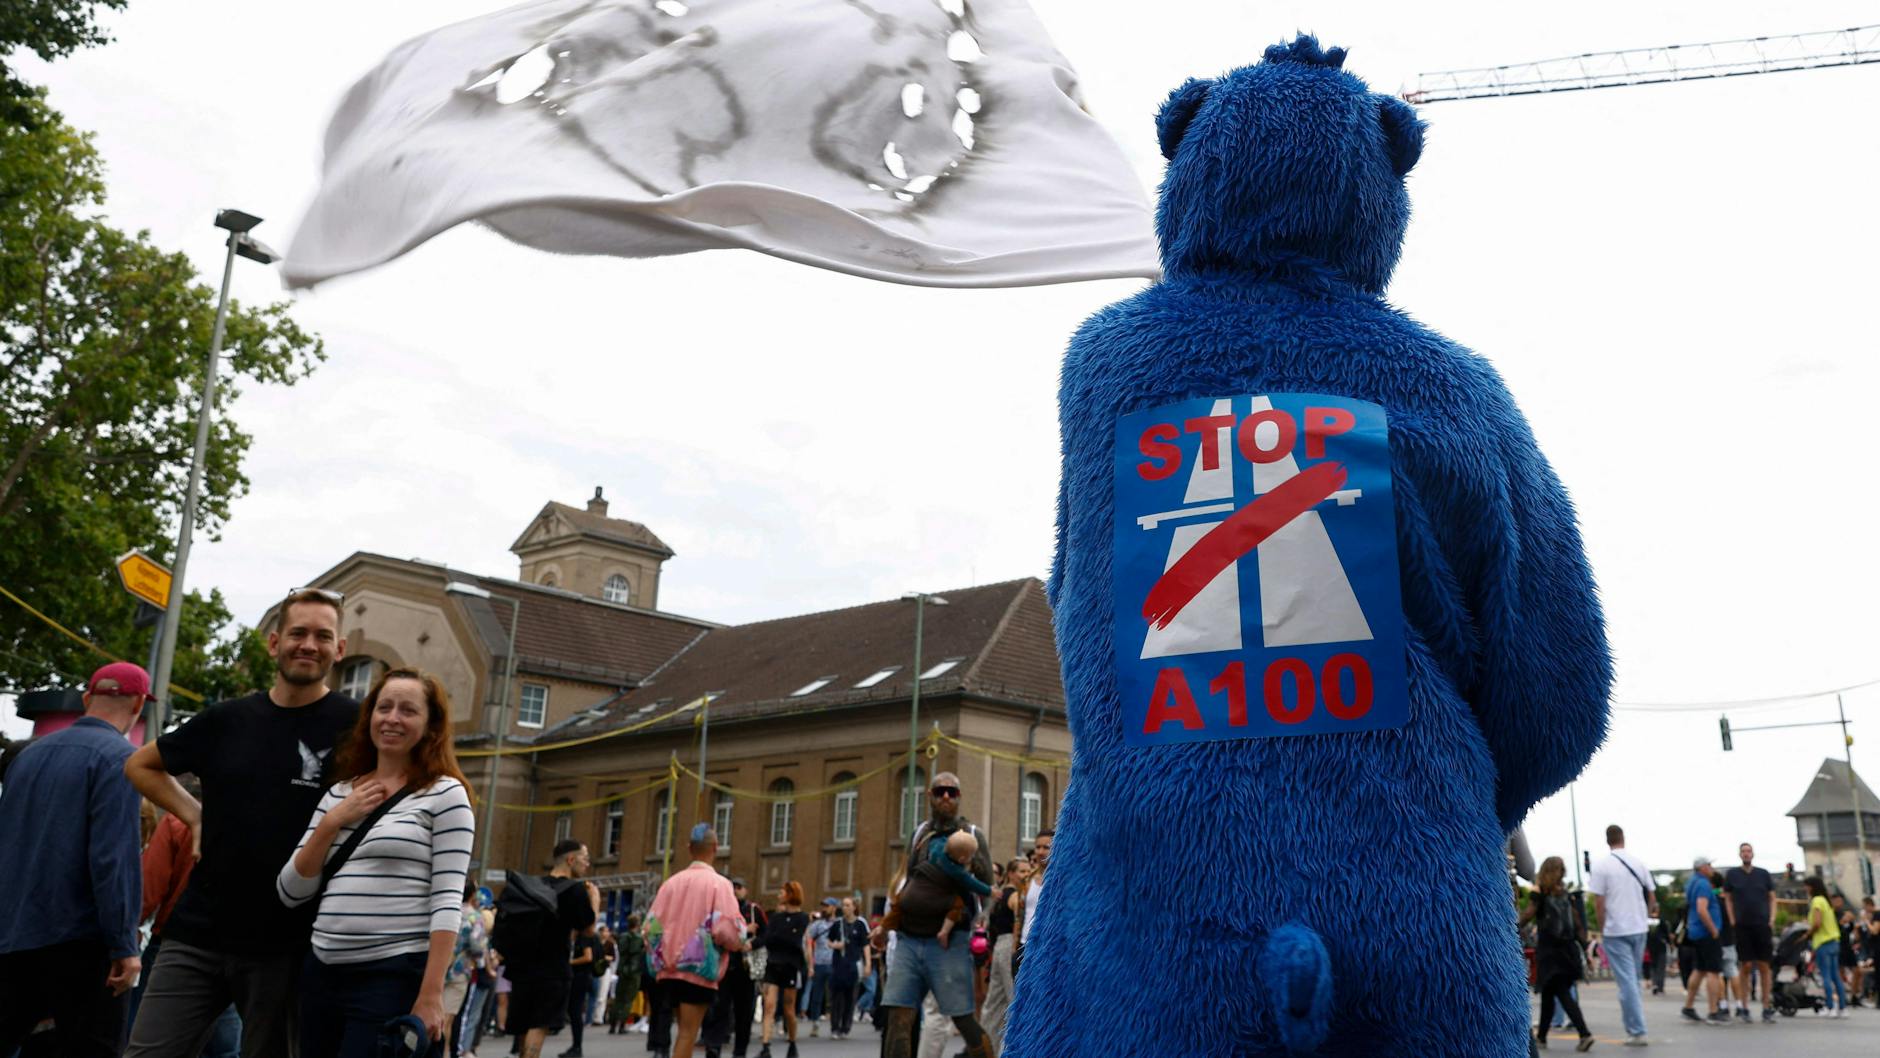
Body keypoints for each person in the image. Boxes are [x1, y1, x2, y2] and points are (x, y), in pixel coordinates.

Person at [126, 588, 361, 1058]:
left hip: (289, 945)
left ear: (339, 650)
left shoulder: (358, 726)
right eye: (297, 633)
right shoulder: (228, 719)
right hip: (197, 933)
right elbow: (140, 765)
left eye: (322, 636)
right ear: (274, 643)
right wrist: (193, 814)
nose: (308, 645)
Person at [277, 667, 476, 1055]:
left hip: (390, 975)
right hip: (321, 972)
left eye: (408, 710)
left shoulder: (445, 795)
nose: (392, 719)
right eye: (383, 707)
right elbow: (290, 891)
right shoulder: (339, 793)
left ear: (431, 726)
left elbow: (448, 901)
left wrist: (432, 993)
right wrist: (334, 821)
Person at [0, 662, 149, 1056]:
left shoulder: (26, 758)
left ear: (87, 699)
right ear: (138, 704)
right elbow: (112, 859)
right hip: (80, 942)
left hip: (14, 933)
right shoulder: (121, 759)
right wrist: (124, 946)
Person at [871, 771, 996, 1058]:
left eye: (952, 792)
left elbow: (988, 886)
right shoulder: (920, 834)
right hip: (909, 938)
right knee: (898, 1016)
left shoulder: (972, 835)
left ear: (959, 797)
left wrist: (982, 917)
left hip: (949, 941)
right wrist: (886, 926)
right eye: (940, 792)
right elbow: (911, 880)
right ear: (930, 796)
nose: (946, 797)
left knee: (963, 1018)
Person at [137, 775, 243, 1058]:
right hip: (234, 943)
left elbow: (148, 890)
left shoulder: (175, 823)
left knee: (155, 1040)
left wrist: (127, 933)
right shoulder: (245, 823)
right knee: (225, 1047)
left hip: (176, 944)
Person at [644, 824, 748, 1058]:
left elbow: (650, 928)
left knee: (683, 1030)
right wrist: (739, 940)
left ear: (689, 848)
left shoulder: (670, 884)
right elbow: (729, 931)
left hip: (668, 968)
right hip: (698, 968)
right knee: (688, 1034)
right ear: (715, 848)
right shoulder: (719, 884)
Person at [496, 840, 601, 1058]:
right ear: (571, 860)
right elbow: (589, 929)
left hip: (522, 968)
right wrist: (595, 900)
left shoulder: (531, 886)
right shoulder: (575, 890)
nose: (587, 864)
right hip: (553, 969)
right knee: (540, 1024)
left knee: (525, 1024)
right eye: (584, 858)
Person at [1584, 825, 1653, 1045]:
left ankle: (1637, 1030)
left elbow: (1599, 901)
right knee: (1634, 977)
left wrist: (1603, 926)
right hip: (1639, 927)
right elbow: (1651, 896)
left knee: (1626, 982)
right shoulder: (1639, 863)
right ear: (1623, 838)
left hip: (1616, 929)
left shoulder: (1602, 866)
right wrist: (1646, 916)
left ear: (1607, 840)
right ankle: (1637, 1024)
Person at [1518, 857, 1594, 1051]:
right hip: (1568, 951)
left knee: (1560, 992)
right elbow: (1577, 925)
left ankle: (1584, 1033)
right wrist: (1585, 947)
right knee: (1549, 993)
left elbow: (1528, 915)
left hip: (1550, 951)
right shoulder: (1567, 895)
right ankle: (1541, 1037)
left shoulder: (1540, 893)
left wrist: (1510, 929)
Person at [701, 881, 762, 1058]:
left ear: (746, 890)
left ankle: (740, 1050)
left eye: (739, 887)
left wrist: (752, 943)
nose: (736, 891)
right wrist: (743, 932)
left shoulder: (753, 910)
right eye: (733, 887)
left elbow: (766, 934)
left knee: (744, 1012)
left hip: (745, 968)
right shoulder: (720, 910)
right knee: (719, 1008)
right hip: (725, 966)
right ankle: (714, 1046)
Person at [1721, 842, 1777, 1023]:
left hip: (1762, 924)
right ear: (1739, 854)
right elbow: (1727, 898)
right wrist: (1732, 919)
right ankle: (1744, 1006)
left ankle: (1766, 1005)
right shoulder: (1732, 874)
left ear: (1753, 854)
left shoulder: (1763, 874)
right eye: (1743, 851)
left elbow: (1772, 898)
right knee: (1745, 966)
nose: (1746, 854)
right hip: (1742, 925)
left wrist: (1772, 919)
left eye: (1749, 851)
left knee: (1764, 966)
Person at [756, 881, 810, 1058]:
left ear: (790, 894)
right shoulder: (776, 918)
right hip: (773, 964)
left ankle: (792, 1043)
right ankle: (765, 1046)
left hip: (791, 966)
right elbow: (768, 938)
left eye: (782, 892)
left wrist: (779, 937)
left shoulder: (802, 918)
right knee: (769, 1006)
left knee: (789, 1009)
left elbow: (794, 941)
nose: (779, 895)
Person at [978, 858, 1027, 1048]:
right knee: (1011, 998)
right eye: (1021, 871)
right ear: (1011, 873)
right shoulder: (1014, 895)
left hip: (999, 945)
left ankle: (986, 1048)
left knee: (993, 1002)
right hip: (1008, 945)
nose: (1024, 875)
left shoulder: (999, 894)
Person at [1679, 856, 1730, 1026]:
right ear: (1702, 867)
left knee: (1699, 969)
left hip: (1696, 932)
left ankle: (1688, 1007)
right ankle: (1713, 1011)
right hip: (1707, 933)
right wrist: (1713, 930)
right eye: (1709, 865)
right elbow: (1702, 909)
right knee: (1713, 972)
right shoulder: (1702, 884)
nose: (1712, 868)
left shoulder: (1692, 882)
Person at [445, 882, 491, 1058]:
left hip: (438, 968)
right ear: (472, 895)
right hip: (459, 971)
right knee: (447, 1020)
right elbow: (477, 947)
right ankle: (444, 1053)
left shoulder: (448, 911)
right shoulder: (474, 917)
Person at [825, 897, 870, 1039]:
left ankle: (845, 1027)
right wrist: (834, 945)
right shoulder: (837, 924)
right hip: (838, 965)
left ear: (854, 907)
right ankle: (834, 1028)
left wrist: (868, 964)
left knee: (850, 998)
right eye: (843, 905)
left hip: (853, 965)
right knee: (836, 998)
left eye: (847, 905)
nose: (844, 908)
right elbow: (828, 940)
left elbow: (866, 945)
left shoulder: (861, 924)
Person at [1014, 829, 1053, 979]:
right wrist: (1014, 946)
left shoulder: (1061, 880)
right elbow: (1019, 915)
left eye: (1046, 847)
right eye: (1038, 847)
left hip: (1047, 947)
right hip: (1024, 945)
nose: (1041, 851)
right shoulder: (1027, 880)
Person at [1805, 877, 1846, 1016]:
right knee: (1836, 976)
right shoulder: (1826, 901)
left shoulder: (1817, 901)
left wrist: (1807, 934)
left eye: (1806, 886)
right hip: (1834, 940)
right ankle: (1842, 1007)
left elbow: (1817, 923)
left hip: (1823, 942)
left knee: (1826, 976)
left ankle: (1830, 1006)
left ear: (1811, 887)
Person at [562, 925, 599, 1057]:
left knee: (575, 1011)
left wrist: (570, 962)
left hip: (581, 977)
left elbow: (588, 957)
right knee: (574, 1011)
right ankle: (576, 1045)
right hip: (579, 977)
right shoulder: (579, 937)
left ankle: (577, 1046)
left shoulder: (584, 938)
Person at [803, 900, 838, 1036]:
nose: (824, 909)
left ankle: (835, 1024)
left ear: (834, 908)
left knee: (834, 996)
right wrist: (811, 965)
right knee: (817, 995)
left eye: (827, 906)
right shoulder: (817, 925)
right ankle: (815, 1023)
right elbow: (808, 941)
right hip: (819, 963)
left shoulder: (838, 924)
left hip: (834, 964)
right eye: (822, 906)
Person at [608, 914, 645, 1036]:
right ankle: (622, 1025)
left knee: (618, 998)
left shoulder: (623, 937)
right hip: (633, 971)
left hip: (622, 969)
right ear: (638, 924)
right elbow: (637, 952)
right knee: (628, 999)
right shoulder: (638, 939)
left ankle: (612, 1025)